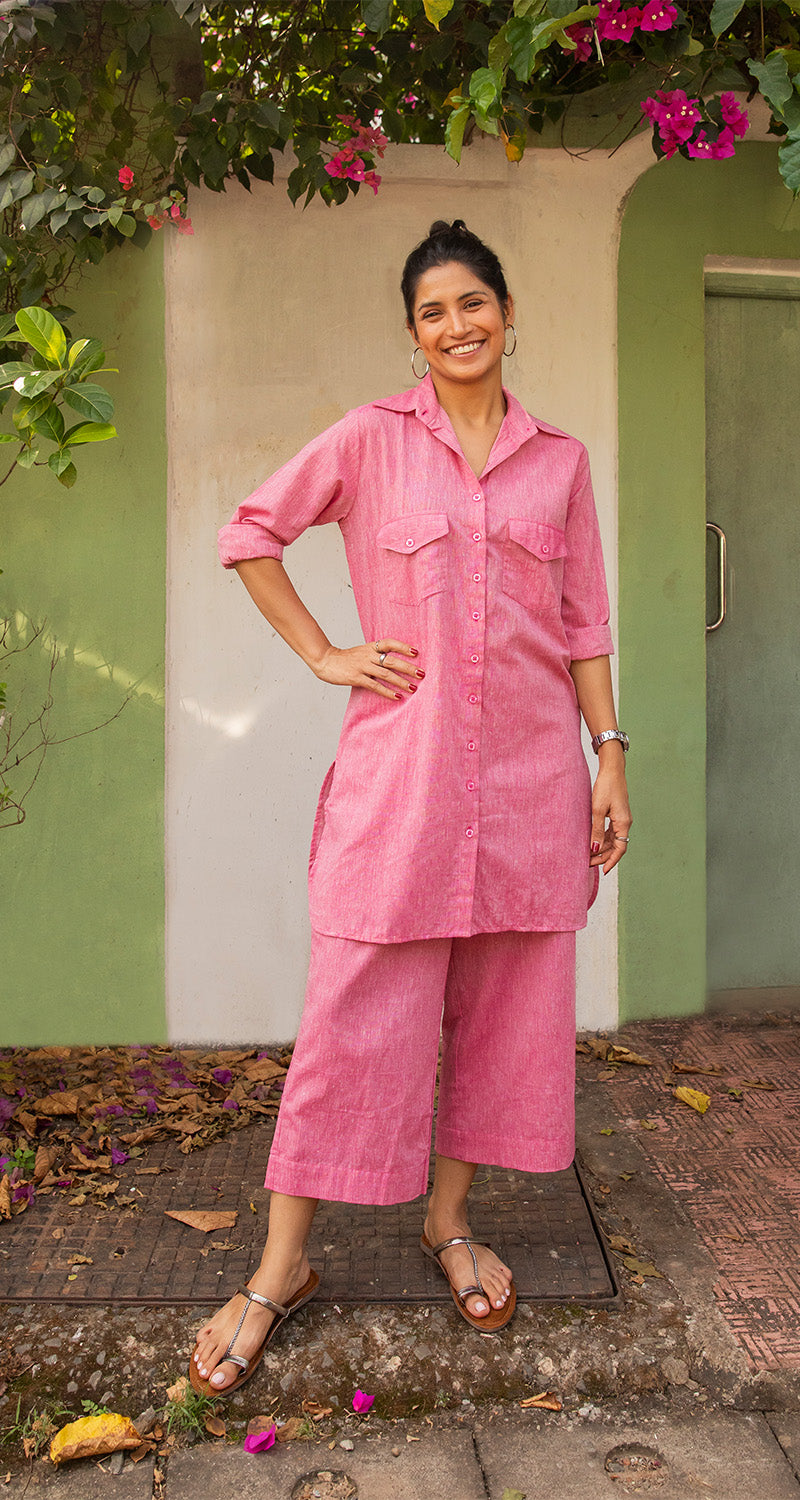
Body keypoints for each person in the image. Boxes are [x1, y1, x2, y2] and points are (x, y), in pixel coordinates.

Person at [190, 219, 632, 1396]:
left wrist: (609, 753)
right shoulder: (370, 441)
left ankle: (448, 1223)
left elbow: (584, 623)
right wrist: (325, 652)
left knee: (499, 1016)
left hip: (534, 787)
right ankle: (279, 1267)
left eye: (472, 302)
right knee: (350, 1026)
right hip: (403, 789)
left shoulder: (560, 462)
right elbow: (251, 534)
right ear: (412, 334)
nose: (456, 325)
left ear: (504, 311)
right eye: (433, 311)